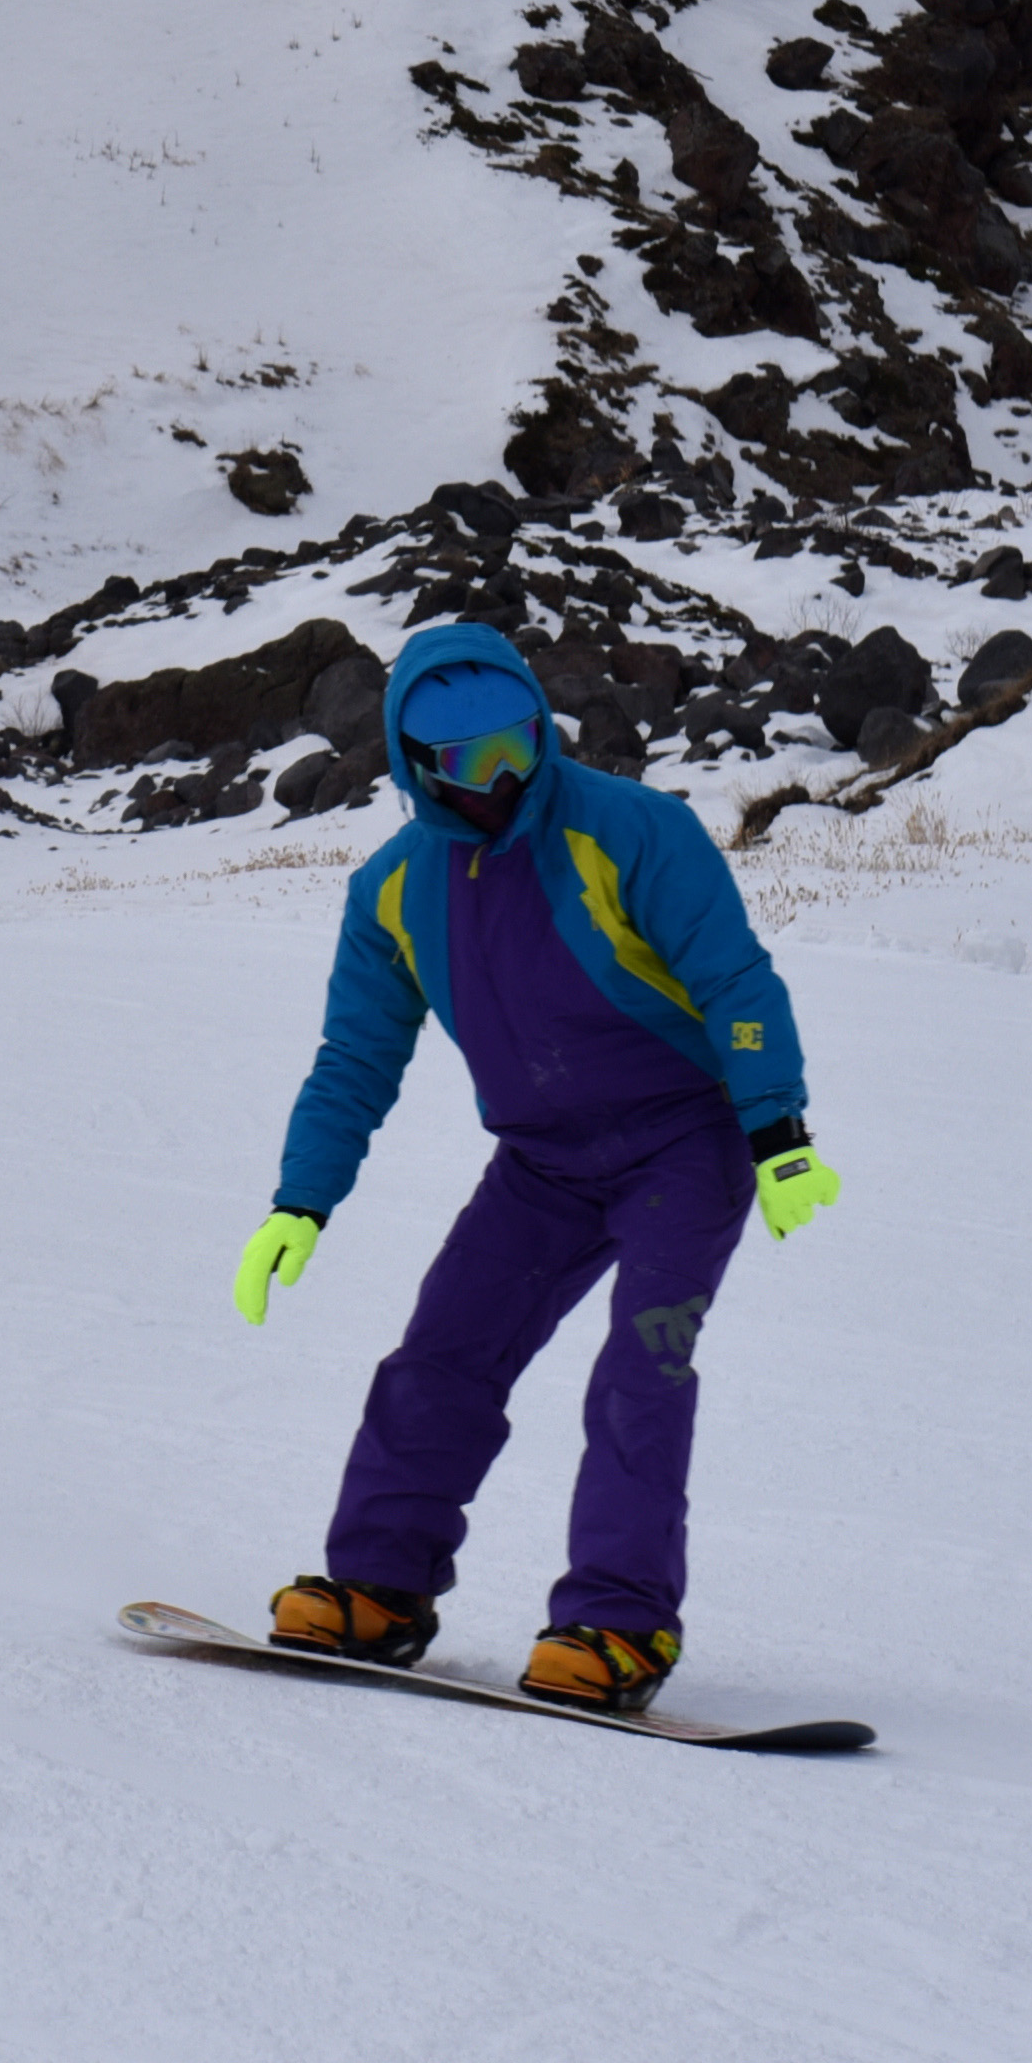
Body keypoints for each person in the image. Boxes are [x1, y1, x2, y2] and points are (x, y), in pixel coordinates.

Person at [231, 620, 835, 1713]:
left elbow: (737, 982)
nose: (504, 776)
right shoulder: (393, 890)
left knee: (640, 1372)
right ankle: (378, 1584)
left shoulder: (635, 830)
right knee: (440, 1357)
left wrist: (776, 1132)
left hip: (681, 1143)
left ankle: (618, 1619)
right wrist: (300, 1199)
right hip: (542, 1164)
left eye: (519, 742)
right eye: (468, 761)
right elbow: (354, 1058)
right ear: (417, 764)